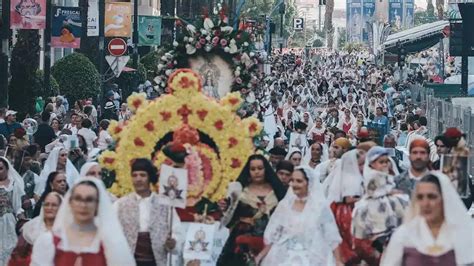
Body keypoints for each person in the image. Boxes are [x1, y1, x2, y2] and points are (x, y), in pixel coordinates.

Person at [31, 177, 135, 265]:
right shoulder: (49, 241)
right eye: (78, 198)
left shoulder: (111, 243)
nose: (83, 205)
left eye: (89, 200)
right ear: (70, 203)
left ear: (97, 205)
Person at [255, 166, 343, 266]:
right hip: (284, 255)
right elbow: (275, 233)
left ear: (309, 183)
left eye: (299, 181)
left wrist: (338, 260)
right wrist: (261, 255)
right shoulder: (284, 205)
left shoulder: (320, 207)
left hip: (314, 256)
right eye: (292, 180)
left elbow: (331, 235)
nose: (294, 184)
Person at [382, 172, 474, 265]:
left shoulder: (462, 234)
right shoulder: (404, 235)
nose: (425, 203)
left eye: (432, 197)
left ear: (444, 199)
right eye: (420, 197)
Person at [218, 154, 286, 266]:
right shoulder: (240, 191)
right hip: (242, 246)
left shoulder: (277, 191)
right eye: (253, 169)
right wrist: (225, 208)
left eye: (260, 168)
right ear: (248, 171)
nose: (257, 172)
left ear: (266, 169)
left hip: (271, 243)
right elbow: (229, 222)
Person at [114, 158, 181, 266]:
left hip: (157, 261)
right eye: (134, 175)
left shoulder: (165, 204)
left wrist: (173, 242)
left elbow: (176, 231)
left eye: (142, 175)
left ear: (150, 177)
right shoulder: (120, 204)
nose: (138, 179)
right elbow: (112, 234)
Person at [325, 149, 378, 265]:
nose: (363, 167)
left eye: (365, 164)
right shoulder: (352, 182)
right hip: (349, 221)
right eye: (360, 164)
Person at [352, 147, 409, 253]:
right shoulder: (371, 178)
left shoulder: (392, 184)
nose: (384, 164)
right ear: (371, 164)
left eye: (387, 161)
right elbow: (373, 190)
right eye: (381, 162)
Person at [8, 192, 62, 266]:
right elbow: (19, 256)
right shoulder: (31, 228)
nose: (50, 208)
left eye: (54, 205)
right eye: (47, 204)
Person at [0, 157, 26, 266]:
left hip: (9, 223)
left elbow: (17, 207)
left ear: (7, 168)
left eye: (0, 168)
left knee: (11, 249)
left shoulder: (13, 184)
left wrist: (23, 223)